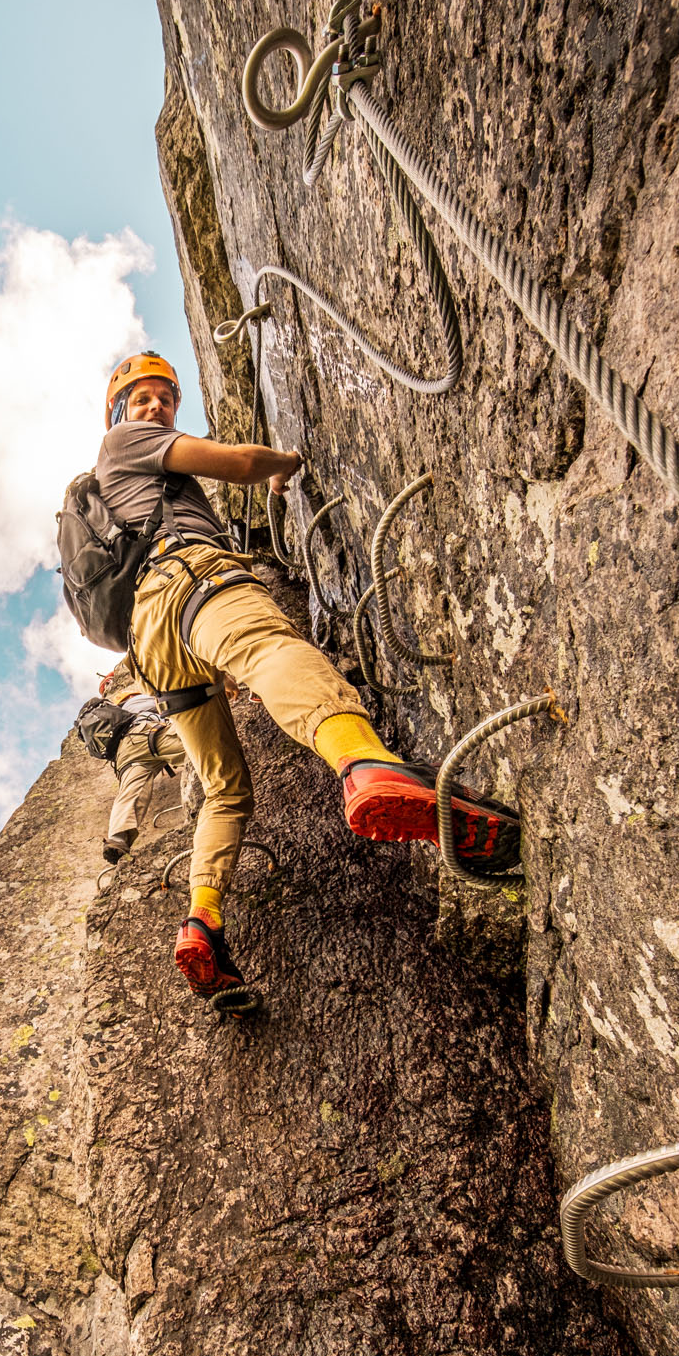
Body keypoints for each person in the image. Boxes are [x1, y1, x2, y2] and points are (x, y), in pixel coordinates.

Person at [91, 349, 519, 1003]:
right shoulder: (126, 442)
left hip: (154, 641)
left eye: (164, 397)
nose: (156, 407)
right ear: (117, 412)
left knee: (224, 789)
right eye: (142, 398)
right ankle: (364, 764)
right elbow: (235, 463)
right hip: (191, 579)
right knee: (268, 652)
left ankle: (202, 921)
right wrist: (282, 465)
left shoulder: (122, 485)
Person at [87, 660, 190, 864]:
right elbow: (167, 704)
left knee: (131, 793)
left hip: (125, 758)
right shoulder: (135, 701)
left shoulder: (114, 720)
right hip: (145, 736)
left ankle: (117, 839)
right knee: (198, 744)